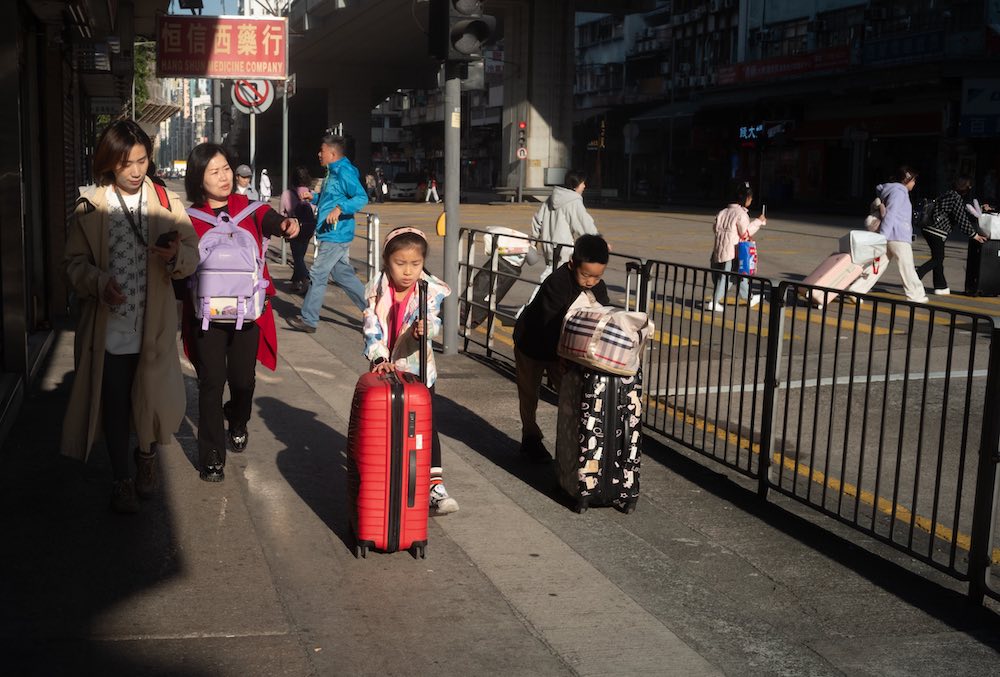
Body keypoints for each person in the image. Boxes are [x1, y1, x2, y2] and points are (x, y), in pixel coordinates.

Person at [62, 119, 200, 513]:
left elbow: (192, 252)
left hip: (153, 326)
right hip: (109, 328)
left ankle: (147, 457)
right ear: (109, 164)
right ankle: (122, 478)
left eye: (142, 160)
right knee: (115, 404)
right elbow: (71, 264)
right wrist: (97, 281)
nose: (137, 170)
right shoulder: (90, 204)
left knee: (151, 399)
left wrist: (176, 257)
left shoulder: (165, 200)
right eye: (127, 164)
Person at [182, 143, 300, 482]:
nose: (223, 177)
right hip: (206, 316)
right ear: (198, 179)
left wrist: (287, 225)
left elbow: (275, 221)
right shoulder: (189, 219)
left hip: (248, 313)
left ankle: (237, 418)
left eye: (225, 169)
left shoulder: (252, 210)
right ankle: (212, 458)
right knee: (210, 383)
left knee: (244, 381)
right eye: (213, 171)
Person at [363, 226, 458, 515]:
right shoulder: (376, 290)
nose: (408, 271)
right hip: (385, 370)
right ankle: (384, 481)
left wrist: (425, 330)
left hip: (418, 371)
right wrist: (379, 358)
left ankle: (434, 487)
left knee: (426, 425)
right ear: (386, 261)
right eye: (400, 263)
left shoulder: (428, 290)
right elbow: (371, 327)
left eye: (415, 264)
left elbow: (433, 320)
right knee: (386, 427)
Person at [512, 234, 611, 464]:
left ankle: (576, 442)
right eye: (586, 275)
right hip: (532, 342)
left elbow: (602, 317)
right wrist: (562, 358)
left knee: (572, 395)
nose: (591, 282)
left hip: (563, 351)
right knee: (529, 393)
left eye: (597, 276)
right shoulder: (557, 282)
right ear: (571, 264)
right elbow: (550, 324)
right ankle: (531, 436)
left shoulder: (598, 287)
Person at [286, 134, 369, 333]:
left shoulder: (344, 171)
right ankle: (375, 312)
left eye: (321, 151)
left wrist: (340, 209)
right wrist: (313, 196)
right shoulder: (332, 172)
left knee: (317, 273)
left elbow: (361, 197)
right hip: (329, 232)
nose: (318, 154)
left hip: (336, 233)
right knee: (343, 276)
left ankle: (309, 319)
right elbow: (330, 197)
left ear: (332, 153)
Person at [916, 176, 986, 295]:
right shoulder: (956, 198)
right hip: (936, 230)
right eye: (969, 187)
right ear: (965, 188)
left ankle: (941, 286)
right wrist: (974, 235)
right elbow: (961, 219)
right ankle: (915, 275)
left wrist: (982, 208)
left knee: (938, 258)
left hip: (928, 228)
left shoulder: (948, 194)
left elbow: (962, 212)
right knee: (938, 258)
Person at [705, 181, 764, 312]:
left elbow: (715, 229)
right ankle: (714, 301)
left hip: (719, 249)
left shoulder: (722, 212)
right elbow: (745, 233)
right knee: (729, 276)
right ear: (746, 198)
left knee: (737, 275)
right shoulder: (741, 214)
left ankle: (749, 297)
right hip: (733, 251)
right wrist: (759, 222)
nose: (751, 200)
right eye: (750, 197)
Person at [531, 170, 600, 277]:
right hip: (563, 252)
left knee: (552, 279)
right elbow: (585, 224)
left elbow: (537, 220)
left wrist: (533, 241)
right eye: (582, 183)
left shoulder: (551, 199)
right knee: (556, 284)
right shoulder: (573, 202)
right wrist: (598, 243)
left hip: (548, 249)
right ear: (576, 184)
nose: (584, 186)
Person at [876, 166, 927, 303]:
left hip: (891, 236)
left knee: (877, 267)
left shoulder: (894, 191)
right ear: (906, 179)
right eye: (913, 180)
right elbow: (890, 214)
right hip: (898, 236)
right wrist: (883, 236)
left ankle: (857, 290)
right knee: (907, 268)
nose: (914, 183)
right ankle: (916, 295)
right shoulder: (899, 192)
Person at [280, 166, 318, 294]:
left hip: (294, 228)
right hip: (308, 228)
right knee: (300, 255)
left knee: (297, 257)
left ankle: (306, 279)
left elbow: (282, 212)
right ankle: (295, 282)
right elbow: (314, 210)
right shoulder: (310, 194)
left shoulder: (287, 194)